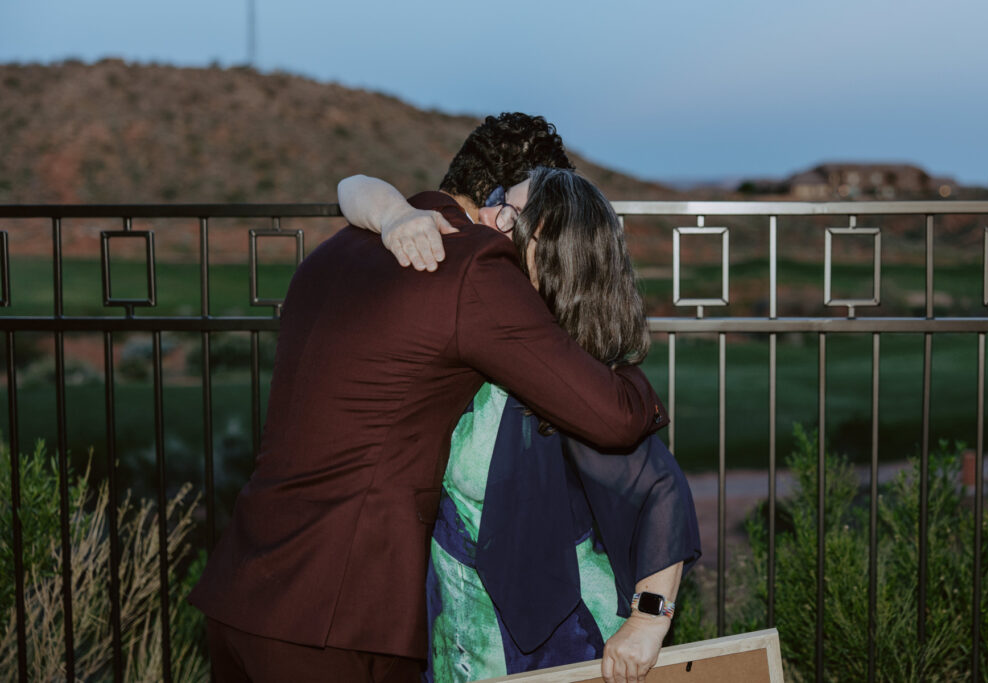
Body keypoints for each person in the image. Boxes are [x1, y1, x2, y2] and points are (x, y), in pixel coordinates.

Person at [187, 113, 667, 683]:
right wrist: (622, 356)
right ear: (499, 205)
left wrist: (385, 207)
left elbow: (352, 187)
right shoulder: (473, 265)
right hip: (338, 618)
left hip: (243, 589)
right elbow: (610, 418)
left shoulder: (336, 251)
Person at [338, 167, 701, 683]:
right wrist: (396, 215)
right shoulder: (476, 318)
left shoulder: (568, 376)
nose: (487, 213)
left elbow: (660, 488)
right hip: (455, 626)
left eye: (507, 210)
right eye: (494, 200)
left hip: (547, 641)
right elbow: (351, 187)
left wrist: (647, 621)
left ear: (547, 246)